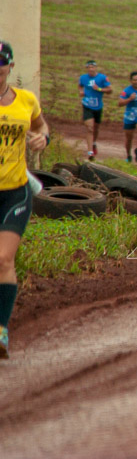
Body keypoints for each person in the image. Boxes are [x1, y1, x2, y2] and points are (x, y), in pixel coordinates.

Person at [0, 40, 51, 359]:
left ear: (10, 67)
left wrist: (42, 138)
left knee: (4, 260)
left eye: (1, 66)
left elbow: (42, 126)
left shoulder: (26, 101)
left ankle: (1, 329)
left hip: (15, 192)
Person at [78, 59, 111, 161]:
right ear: (87, 68)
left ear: (96, 68)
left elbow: (110, 90)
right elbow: (80, 86)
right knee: (90, 128)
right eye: (89, 67)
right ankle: (90, 152)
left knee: (96, 128)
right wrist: (81, 92)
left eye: (93, 67)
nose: (91, 69)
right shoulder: (83, 78)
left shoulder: (102, 78)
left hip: (98, 106)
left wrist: (99, 89)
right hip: (87, 105)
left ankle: (94, 143)